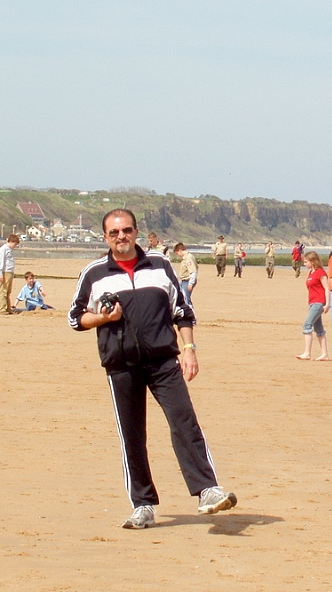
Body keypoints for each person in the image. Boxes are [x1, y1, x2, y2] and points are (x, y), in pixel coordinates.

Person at [68, 209, 237, 529]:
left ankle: (208, 490)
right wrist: (104, 318)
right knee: (132, 436)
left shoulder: (160, 266)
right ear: (105, 237)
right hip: (120, 365)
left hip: (163, 362)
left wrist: (189, 350)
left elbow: (182, 312)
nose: (121, 237)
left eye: (127, 230)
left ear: (136, 232)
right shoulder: (94, 273)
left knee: (184, 421)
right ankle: (142, 504)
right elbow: (75, 319)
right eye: (114, 232)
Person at [296, 251, 330, 361]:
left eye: (306, 262)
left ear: (312, 261)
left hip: (319, 302)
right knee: (318, 328)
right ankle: (324, 354)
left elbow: (327, 288)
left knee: (307, 325)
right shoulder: (311, 273)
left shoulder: (321, 273)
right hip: (312, 302)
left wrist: (327, 304)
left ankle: (307, 353)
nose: (304, 264)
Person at [0, 234, 20, 314]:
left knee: (8, 292)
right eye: (15, 244)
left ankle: (7, 308)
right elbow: (0, 261)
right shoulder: (4, 249)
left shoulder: (9, 250)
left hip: (10, 272)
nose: (15, 246)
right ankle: (2, 309)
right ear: (11, 241)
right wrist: (0, 273)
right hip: (5, 271)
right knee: (3, 291)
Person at [172, 243, 198, 309]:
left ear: (180, 250)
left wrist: (191, 283)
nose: (178, 255)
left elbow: (193, 271)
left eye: (177, 253)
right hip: (184, 281)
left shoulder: (188, 258)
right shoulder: (186, 258)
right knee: (184, 298)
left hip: (188, 281)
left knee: (186, 299)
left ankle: (190, 314)